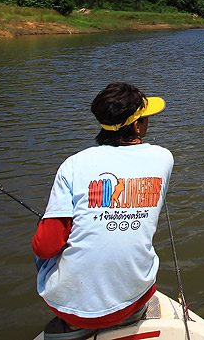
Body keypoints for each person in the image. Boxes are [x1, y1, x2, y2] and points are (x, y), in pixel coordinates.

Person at [32, 82, 174, 339]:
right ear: (136, 126)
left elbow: (45, 246)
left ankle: (74, 322)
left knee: (45, 240)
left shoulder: (74, 164)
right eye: (145, 117)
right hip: (132, 302)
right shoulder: (163, 157)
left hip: (74, 312)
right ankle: (128, 314)